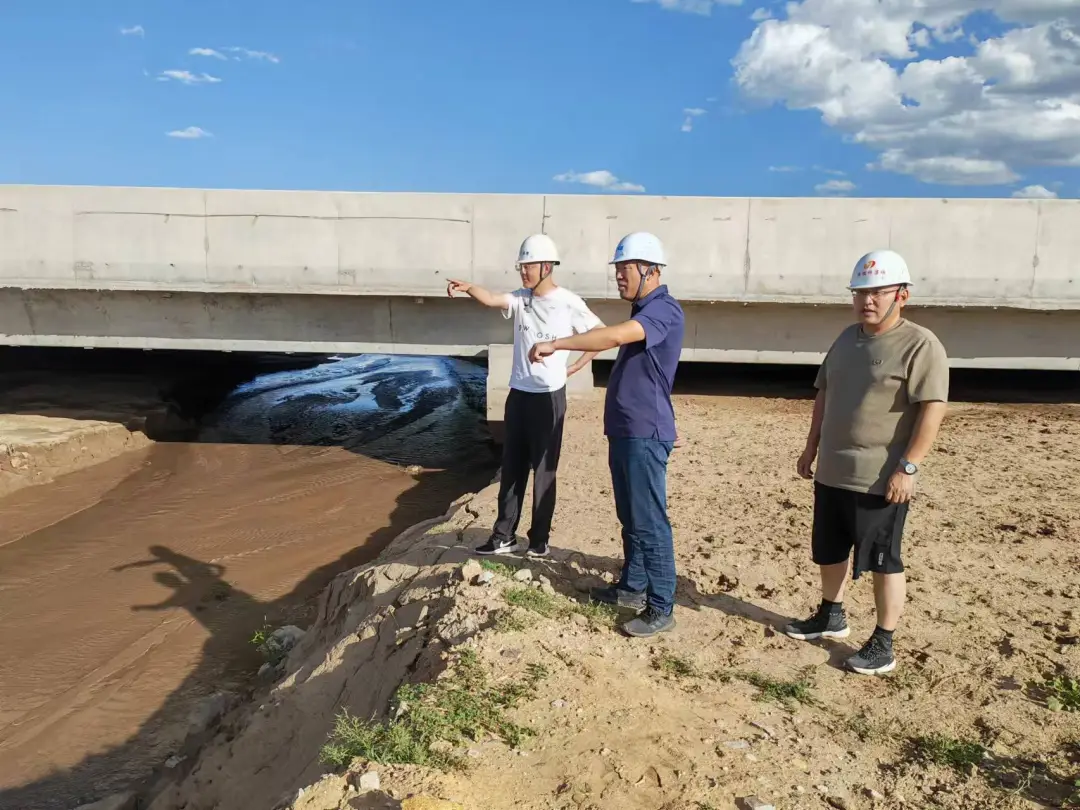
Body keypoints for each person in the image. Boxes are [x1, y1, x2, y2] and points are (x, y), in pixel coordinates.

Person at [786, 249, 949, 675]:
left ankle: (883, 641)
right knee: (829, 550)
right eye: (860, 292)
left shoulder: (920, 345)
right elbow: (824, 392)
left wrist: (908, 467)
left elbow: (932, 408)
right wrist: (811, 447)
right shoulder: (846, 338)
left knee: (882, 560)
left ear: (902, 295)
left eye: (878, 292)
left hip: (880, 478)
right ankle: (831, 614)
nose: (867, 301)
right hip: (833, 471)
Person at [530, 232, 684, 638]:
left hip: (644, 432)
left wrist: (556, 343)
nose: (618, 276)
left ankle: (661, 606)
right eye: (617, 269)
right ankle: (633, 587)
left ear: (651, 270)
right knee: (630, 515)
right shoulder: (644, 309)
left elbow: (614, 336)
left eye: (625, 268)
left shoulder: (663, 309)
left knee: (649, 520)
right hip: (627, 430)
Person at [447, 233, 603, 558]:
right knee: (512, 468)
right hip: (518, 395)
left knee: (544, 472)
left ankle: (539, 541)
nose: (522, 272)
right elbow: (491, 299)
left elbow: (599, 335)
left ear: (546, 267)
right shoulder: (521, 298)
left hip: (548, 398)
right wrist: (468, 287)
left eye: (528, 266)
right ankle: (503, 536)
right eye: (520, 266)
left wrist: (576, 366)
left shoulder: (568, 302)